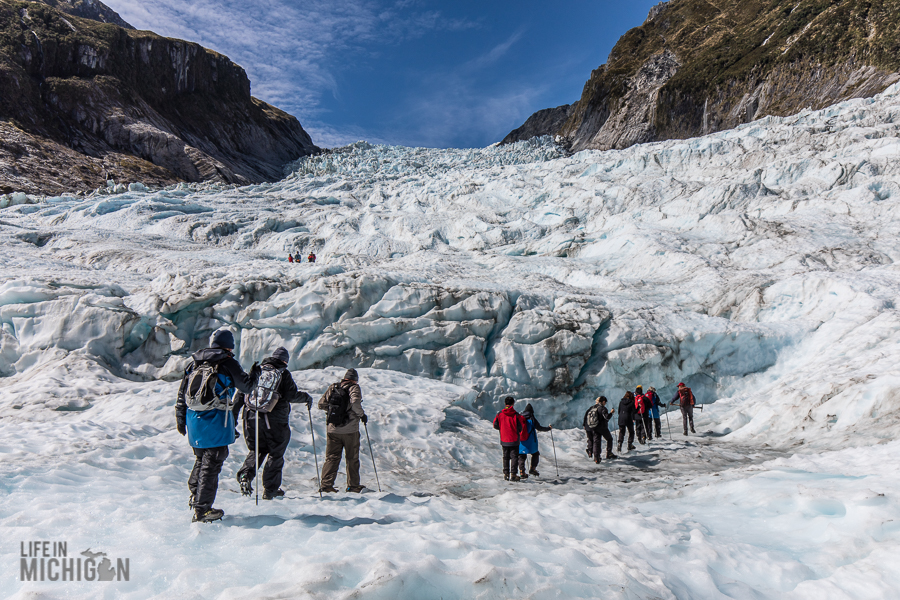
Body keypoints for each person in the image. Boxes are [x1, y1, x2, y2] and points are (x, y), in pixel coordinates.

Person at [175, 330, 259, 523]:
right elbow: (246, 387)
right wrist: (255, 374)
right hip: (215, 420)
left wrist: (180, 418)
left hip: (194, 419)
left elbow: (182, 394)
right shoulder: (227, 362)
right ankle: (203, 509)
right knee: (212, 463)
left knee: (201, 459)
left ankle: (196, 497)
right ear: (228, 346)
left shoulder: (193, 363)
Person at [233, 347, 312, 500]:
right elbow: (291, 395)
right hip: (274, 421)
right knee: (275, 454)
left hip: (250, 419)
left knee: (257, 450)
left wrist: (234, 417)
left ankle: (245, 475)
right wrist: (306, 397)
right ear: (285, 361)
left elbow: (241, 394)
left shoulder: (257, 370)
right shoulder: (283, 373)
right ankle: (270, 490)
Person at [317, 368, 366, 492]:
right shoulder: (354, 388)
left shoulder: (333, 387)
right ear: (355, 380)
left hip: (332, 429)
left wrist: (333, 413)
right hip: (350, 431)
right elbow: (355, 402)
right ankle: (353, 486)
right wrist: (361, 415)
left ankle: (326, 485)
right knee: (352, 458)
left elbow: (321, 404)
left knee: (331, 458)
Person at [493, 397, 527, 481]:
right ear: (513, 404)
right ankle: (513, 474)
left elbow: (495, 425)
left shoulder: (500, 414)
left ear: (505, 404)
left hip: (504, 439)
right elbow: (520, 426)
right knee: (514, 457)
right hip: (514, 439)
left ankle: (506, 474)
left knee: (505, 457)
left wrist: (502, 429)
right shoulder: (516, 415)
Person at [517, 403, 552, 478]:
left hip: (521, 440)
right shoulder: (531, 418)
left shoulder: (520, 417)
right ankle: (532, 469)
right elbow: (539, 428)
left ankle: (522, 472)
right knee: (535, 454)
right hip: (531, 440)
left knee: (522, 456)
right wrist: (548, 428)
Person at [583, 396, 616, 463]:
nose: (605, 403)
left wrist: (584, 424)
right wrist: (611, 413)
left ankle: (596, 458)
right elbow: (606, 417)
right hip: (602, 427)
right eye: (605, 402)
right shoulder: (602, 408)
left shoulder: (593, 407)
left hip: (594, 427)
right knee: (609, 439)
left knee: (596, 442)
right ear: (603, 402)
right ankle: (609, 453)